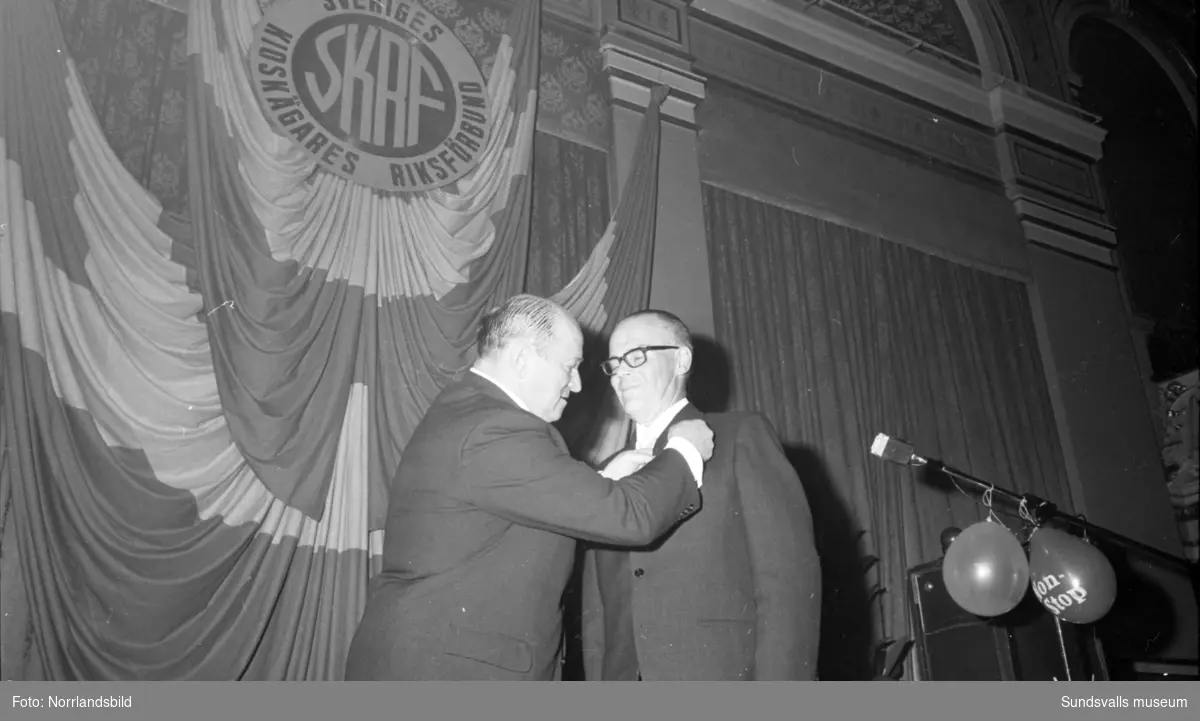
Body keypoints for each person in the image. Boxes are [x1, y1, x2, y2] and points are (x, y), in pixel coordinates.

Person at [343, 295, 714, 681]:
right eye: (569, 367)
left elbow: (514, 517)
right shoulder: (497, 428)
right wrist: (685, 448)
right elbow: (631, 518)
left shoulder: (471, 412)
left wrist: (602, 482)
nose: (578, 383)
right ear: (522, 359)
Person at [580, 310, 821, 681]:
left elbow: (787, 585)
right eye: (614, 364)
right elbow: (597, 608)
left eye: (635, 356)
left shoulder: (738, 436)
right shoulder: (607, 471)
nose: (622, 373)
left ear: (682, 358)